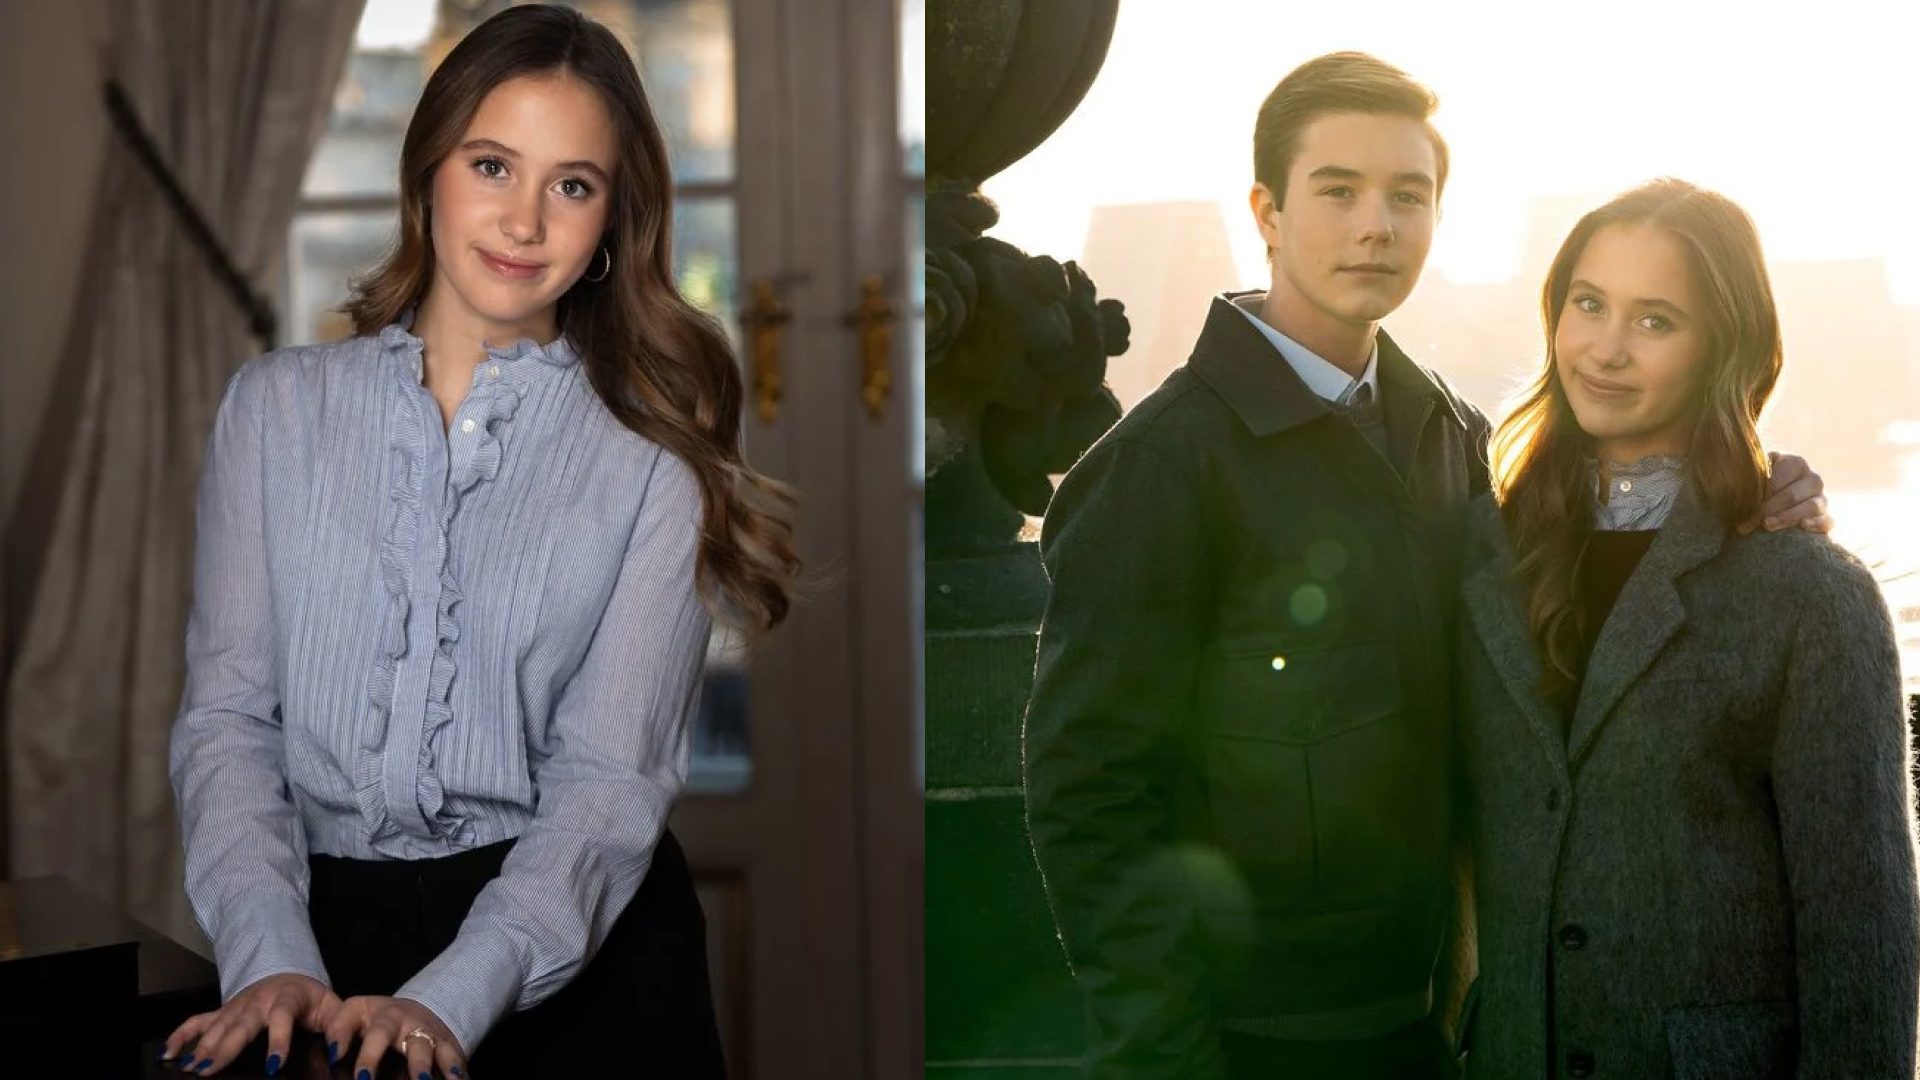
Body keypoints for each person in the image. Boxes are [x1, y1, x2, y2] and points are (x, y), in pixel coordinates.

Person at [1021, 52, 1830, 1080]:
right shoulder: (1158, 469)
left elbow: (1602, 551)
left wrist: (1752, 489)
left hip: (1445, 1029)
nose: (1377, 224)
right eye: (1339, 190)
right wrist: (1166, 1055)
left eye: (1410, 195)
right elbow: (1089, 793)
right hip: (1253, 1044)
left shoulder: (1454, 437)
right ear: (1266, 211)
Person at [158, 7, 801, 1079]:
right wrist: (268, 957)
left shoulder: (654, 455)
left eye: (574, 184)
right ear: (428, 170)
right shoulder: (271, 412)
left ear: (611, 219)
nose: (526, 221)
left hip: (580, 968)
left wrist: (456, 995)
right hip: (316, 953)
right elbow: (227, 722)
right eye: (493, 164)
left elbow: (610, 784)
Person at [1454, 178, 1918, 1077]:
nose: (1606, 349)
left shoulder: (1810, 595)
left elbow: (1860, 941)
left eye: (1656, 321)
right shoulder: (1479, 554)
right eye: (1588, 305)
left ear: (1723, 349)